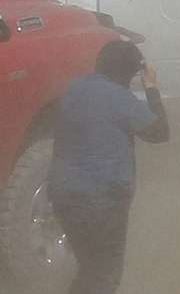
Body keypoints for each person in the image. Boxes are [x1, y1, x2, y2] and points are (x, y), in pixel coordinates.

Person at [47, 39, 169, 294]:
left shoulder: (74, 88)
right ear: (128, 72)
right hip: (102, 202)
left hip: (63, 196)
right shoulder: (118, 97)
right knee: (105, 277)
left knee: (89, 269)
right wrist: (151, 87)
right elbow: (159, 132)